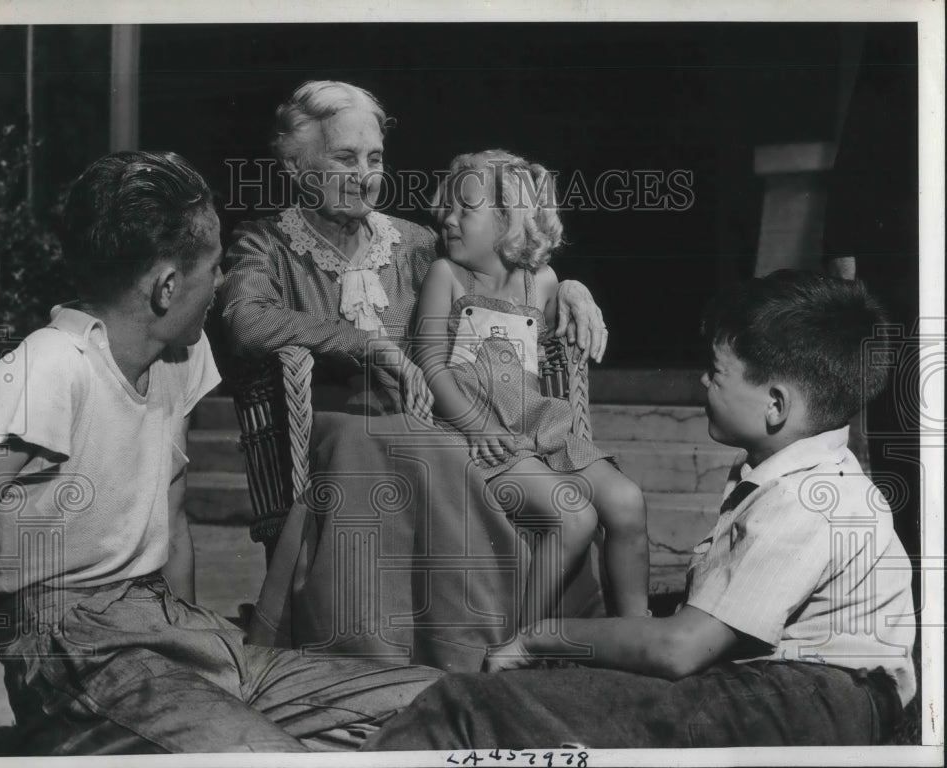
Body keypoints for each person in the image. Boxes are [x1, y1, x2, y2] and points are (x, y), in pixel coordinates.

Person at [0, 150, 441, 755]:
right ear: (167, 287)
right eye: (215, 266)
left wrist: (199, 669)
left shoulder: (180, 352)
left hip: (171, 625)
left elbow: (172, 524)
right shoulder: (49, 367)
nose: (222, 283)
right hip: (73, 643)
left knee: (436, 701)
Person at [365, 270, 916, 749]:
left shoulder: (806, 499)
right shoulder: (793, 472)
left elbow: (680, 649)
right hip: (797, 689)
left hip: (813, 699)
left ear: (775, 405)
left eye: (717, 372)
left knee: (468, 706)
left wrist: (538, 635)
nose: (702, 379)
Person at [218, 81, 611, 671]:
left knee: (476, 453)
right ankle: (440, 647)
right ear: (298, 166)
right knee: (399, 445)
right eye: (345, 158)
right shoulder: (265, 242)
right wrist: (367, 345)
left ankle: (508, 637)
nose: (365, 176)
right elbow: (245, 321)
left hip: (439, 419)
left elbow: (505, 276)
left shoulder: (417, 242)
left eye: (374, 159)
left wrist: (570, 289)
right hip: (335, 426)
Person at [414, 150, 648, 630]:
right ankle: (523, 640)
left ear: (509, 220)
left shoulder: (541, 282)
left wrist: (575, 290)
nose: (448, 220)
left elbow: (563, 320)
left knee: (627, 501)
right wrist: (476, 424)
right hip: (479, 434)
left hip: (538, 427)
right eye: (446, 209)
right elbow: (431, 364)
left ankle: (635, 630)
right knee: (574, 516)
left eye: (465, 209)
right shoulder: (447, 276)